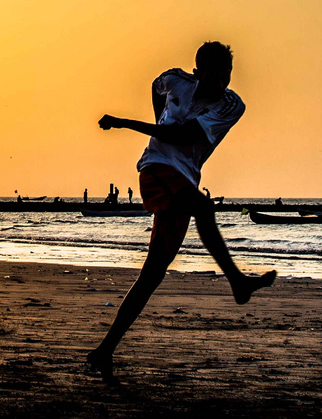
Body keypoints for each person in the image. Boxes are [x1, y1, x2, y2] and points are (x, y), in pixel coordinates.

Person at [87, 42, 276, 379]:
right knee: (203, 207)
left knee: (153, 273)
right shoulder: (176, 80)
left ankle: (104, 350)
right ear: (197, 71)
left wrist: (126, 122)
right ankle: (238, 282)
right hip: (157, 167)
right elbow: (156, 86)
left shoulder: (232, 105)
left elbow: (183, 134)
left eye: (226, 75)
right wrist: (159, 116)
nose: (221, 82)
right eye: (214, 75)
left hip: (184, 178)